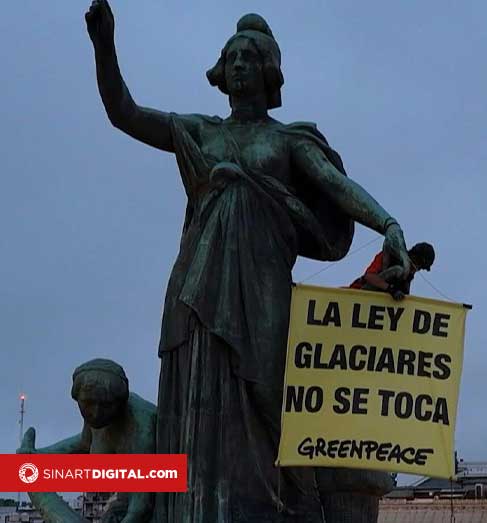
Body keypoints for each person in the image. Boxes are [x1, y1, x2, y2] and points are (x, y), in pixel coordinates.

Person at [84, 1, 412, 521]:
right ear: (221, 70)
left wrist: (388, 224)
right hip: (198, 284)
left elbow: (335, 186)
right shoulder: (200, 131)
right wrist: (105, 47)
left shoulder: (286, 140)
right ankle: (201, 506)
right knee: (199, 398)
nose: (239, 65)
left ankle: (293, 504)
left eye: (250, 57)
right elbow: (124, 112)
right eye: (231, 57)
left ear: (269, 71)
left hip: (262, 283)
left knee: (270, 394)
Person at [17, 359, 157, 523]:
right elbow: (84, 443)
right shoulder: (99, 417)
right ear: (78, 398)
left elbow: (140, 508)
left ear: (120, 401)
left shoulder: (141, 425)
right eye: (88, 403)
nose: (96, 413)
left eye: (106, 405)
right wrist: (38, 455)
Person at [350, 242, 435, 299]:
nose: (416, 268)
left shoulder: (407, 278)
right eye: (418, 262)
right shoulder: (390, 256)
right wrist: (391, 289)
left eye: (420, 267)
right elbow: (369, 277)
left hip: (375, 302)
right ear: (413, 255)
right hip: (358, 294)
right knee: (398, 270)